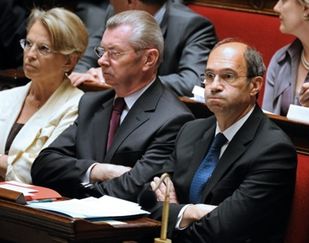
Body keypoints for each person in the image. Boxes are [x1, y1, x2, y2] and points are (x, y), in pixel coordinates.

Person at [31, 10, 194, 201]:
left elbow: (137, 187)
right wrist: (98, 170)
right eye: (101, 51)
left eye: (114, 53)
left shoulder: (174, 118)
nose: (101, 61)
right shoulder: (92, 103)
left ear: (149, 59)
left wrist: (74, 188)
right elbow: (43, 165)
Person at [144, 39, 297, 242]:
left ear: (255, 85)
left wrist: (172, 212)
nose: (214, 86)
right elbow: (145, 200)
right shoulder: (190, 131)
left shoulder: (274, 150)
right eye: (209, 76)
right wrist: (190, 212)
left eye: (227, 76)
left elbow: (222, 230)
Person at [0, 8, 87, 183]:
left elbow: (41, 170)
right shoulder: (5, 97)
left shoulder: (78, 106)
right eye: (28, 44)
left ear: (69, 61)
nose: (30, 55)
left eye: (43, 48)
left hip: (31, 207)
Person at [70, 0, 217, 97]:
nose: (110, 1)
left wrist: (124, 79)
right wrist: (80, 73)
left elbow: (193, 82)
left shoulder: (193, 26)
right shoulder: (116, 10)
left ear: (130, 2)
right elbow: (94, 47)